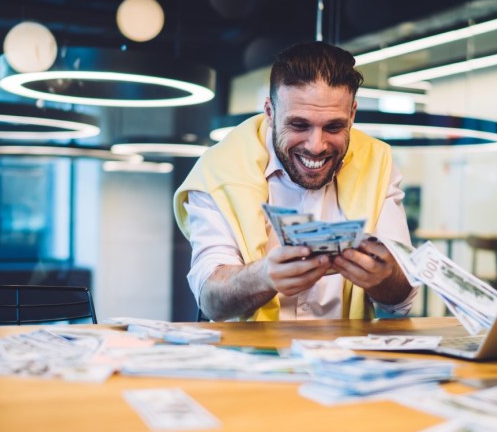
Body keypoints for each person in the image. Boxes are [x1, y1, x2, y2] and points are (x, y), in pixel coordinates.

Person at [174, 41, 417, 322]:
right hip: (249, 360)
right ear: (269, 112)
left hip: (345, 358)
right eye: (299, 125)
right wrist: (264, 276)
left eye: (334, 126)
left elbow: (402, 300)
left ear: (352, 114)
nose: (316, 146)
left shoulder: (378, 161)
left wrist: (384, 277)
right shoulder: (218, 169)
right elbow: (210, 299)